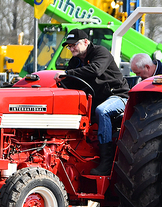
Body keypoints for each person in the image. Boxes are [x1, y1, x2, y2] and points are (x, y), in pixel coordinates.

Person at [54, 29, 129, 175]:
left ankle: (106, 162)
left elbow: (95, 70)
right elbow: (69, 82)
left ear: (86, 42)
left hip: (118, 96)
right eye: (69, 46)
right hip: (96, 98)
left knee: (102, 111)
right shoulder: (75, 61)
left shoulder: (100, 52)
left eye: (74, 45)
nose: (71, 48)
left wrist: (67, 74)